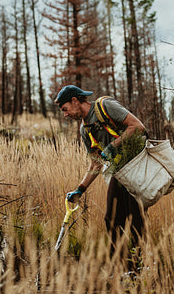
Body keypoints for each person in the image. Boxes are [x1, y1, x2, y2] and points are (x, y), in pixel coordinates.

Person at [54, 85, 147, 267]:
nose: (65, 115)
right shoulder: (85, 129)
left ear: (75, 101)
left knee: (135, 220)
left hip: (137, 166)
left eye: (65, 109)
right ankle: (120, 267)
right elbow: (96, 163)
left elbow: (138, 126)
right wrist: (80, 189)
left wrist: (113, 146)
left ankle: (137, 270)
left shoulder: (105, 106)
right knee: (111, 220)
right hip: (118, 172)